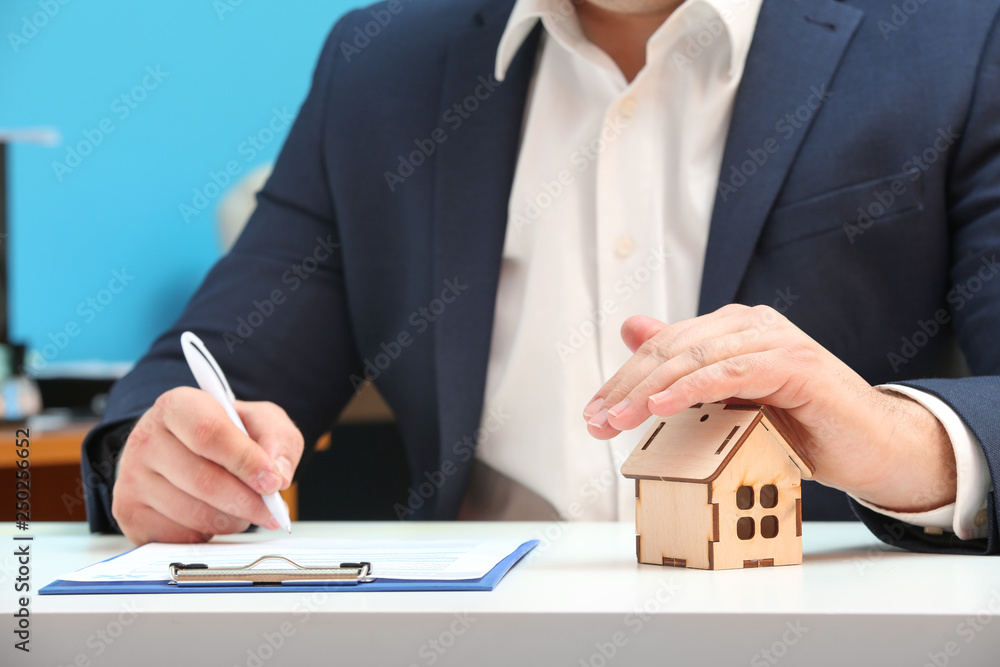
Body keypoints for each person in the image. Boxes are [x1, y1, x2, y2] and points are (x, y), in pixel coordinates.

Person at [82, 0, 1000, 553]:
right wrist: (159, 459)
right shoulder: (382, 69)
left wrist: (891, 438)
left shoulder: (954, 39)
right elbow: (194, 383)